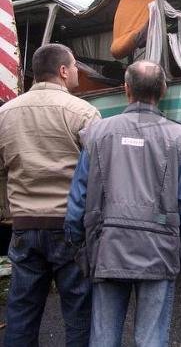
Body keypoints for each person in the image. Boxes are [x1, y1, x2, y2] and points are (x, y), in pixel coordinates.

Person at [64, 60, 181, 347]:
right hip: (159, 251)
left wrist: (82, 249)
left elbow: (77, 203)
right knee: (151, 339)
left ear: (126, 90)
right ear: (163, 90)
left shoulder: (97, 134)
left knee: (103, 338)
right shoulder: (180, 138)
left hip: (107, 247)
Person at [0, 43, 101, 346]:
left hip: (24, 225)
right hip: (70, 226)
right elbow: (100, 171)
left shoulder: (5, 113)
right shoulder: (83, 112)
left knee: (22, 309)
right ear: (62, 70)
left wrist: (8, 214)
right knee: (79, 310)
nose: (77, 72)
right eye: (74, 66)